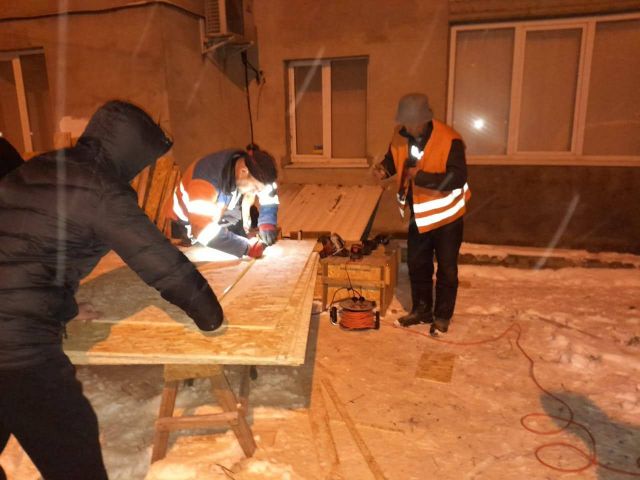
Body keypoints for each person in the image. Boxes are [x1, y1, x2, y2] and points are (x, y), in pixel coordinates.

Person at [0, 100, 224, 480]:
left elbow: (25, 250)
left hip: (10, 331)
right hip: (16, 351)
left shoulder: (43, 166)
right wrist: (210, 316)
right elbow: (158, 261)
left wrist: (67, 307)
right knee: (74, 454)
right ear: (132, 153)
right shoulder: (102, 188)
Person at [374, 93, 470, 335]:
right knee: (418, 264)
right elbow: (393, 159)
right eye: (406, 122)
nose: (409, 127)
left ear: (425, 120)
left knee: (447, 268)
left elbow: (458, 177)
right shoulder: (400, 135)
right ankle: (422, 310)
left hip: (447, 216)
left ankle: (442, 317)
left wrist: (422, 177)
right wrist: (384, 170)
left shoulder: (450, 140)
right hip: (420, 214)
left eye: (413, 123)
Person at [168, 146, 280, 259]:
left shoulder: (246, 165)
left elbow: (268, 191)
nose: (255, 193)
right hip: (187, 226)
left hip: (219, 211)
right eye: (255, 188)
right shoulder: (205, 181)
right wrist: (245, 247)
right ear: (243, 171)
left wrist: (267, 222)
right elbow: (202, 230)